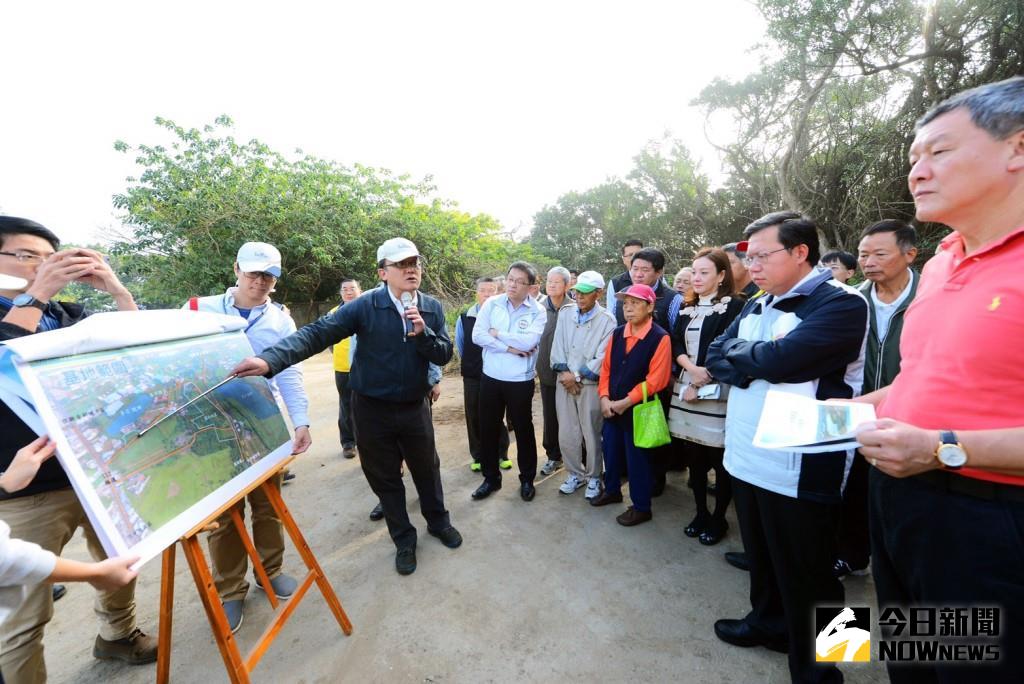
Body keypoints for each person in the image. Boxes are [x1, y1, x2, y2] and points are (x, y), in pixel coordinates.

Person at [854, 76, 1024, 683]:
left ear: (1018, 148)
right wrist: (855, 406)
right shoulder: (947, 256)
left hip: (987, 514)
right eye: (913, 158)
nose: (917, 171)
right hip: (899, 494)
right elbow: (926, 373)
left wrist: (941, 448)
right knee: (912, 654)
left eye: (940, 152)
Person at [232, 237, 460, 577]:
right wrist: (270, 360)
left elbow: (444, 353)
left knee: (427, 468)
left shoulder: (430, 307)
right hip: (371, 410)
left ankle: (438, 522)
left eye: (416, 263)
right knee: (384, 477)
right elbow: (317, 333)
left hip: (415, 407)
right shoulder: (364, 306)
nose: (412, 269)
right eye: (402, 264)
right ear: (383, 273)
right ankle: (403, 539)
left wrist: (423, 333)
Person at [706, 211, 867, 684]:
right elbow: (719, 353)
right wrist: (755, 361)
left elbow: (788, 359)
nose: (750, 266)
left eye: (762, 256)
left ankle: (827, 667)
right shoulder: (758, 301)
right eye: (747, 257)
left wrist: (753, 361)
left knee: (815, 573)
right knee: (764, 557)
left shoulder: (841, 303)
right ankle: (769, 623)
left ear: (800, 252)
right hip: (749, 455)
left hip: (807, 460)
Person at [0, 216, 158, 681]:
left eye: (49, 258)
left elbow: (139, 347)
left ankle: (117, 637)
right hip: (25, 487)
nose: (40, 267)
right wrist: (35, 295)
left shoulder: (69, 315)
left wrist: (117, 292)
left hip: (93, 469)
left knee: (120, 562)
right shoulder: (33, 308)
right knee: (23, 607)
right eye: (27, 256)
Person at [185, 241, 312, 632]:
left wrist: (301, 420)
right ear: (236, 268)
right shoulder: (197, 310)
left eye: (269, 276)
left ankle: (270, 571)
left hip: (263, 423)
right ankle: (231, 592)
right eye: (254, 273)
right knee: (224, 516)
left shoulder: (280, 321)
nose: (260, 282)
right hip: (213, 425)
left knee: (269, 504)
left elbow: (289, 371)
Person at [832, 220, 919, 580]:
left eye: (879, 254)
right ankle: (853, 555)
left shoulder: (931, 297)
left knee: (906, 498)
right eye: (864, 254)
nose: (868, 261)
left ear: (910, 254)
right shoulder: (853, 300)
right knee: (856, 488)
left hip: (914, 414)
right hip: (860, 408)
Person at [1, 437, 138, 629]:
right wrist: (3, 483)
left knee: (125, 557)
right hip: (20, 494)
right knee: (24, 621)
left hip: (90, 471)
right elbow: (10, 559)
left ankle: (119, 634)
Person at [669, 248, 744, 545]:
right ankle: (700, 511)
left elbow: (730, 347)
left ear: (722, 275)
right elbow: (676, 342)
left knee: (719, 457)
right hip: (686, 390)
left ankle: (719, 517)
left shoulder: (735, 307)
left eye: (705, 273)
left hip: (717, 392)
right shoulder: (687, 307)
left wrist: (703, 378)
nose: (697, 278)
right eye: (694, 272)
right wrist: (690, 369)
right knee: (695, 458)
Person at [590, 284, 672, 525]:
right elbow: (606, 370)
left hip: (638, 410)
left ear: (650, 306)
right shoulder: (617, 334)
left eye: (635, 303)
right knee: (611, 452)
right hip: (612, 406)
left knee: (638, 460)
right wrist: (604, 397)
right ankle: (612, 490)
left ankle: (641, 506)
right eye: (625, 303)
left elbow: (657, 380)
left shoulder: (659, 337)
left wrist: (626, 401)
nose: (629, 308)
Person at [470, 261, 546, 503]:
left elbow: (529, 342)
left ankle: (527, 479)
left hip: (520, 380)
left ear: (531, 286)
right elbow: (477, 335)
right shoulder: (492, 303)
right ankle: (491, 478)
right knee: (488, 429)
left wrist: (498, 334)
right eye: (510, 279)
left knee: (523, 430)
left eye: (519, 281)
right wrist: (508, 347)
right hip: (491, 377)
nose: (512, 284)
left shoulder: (537, 311)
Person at [550, 271, 616, 500]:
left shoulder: (607, 320)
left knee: (592, 432)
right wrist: (566, 375)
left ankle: (594, 476)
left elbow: (602, 357)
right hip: (564, 382)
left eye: (585, 293)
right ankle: (575, 474)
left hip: (588, 385)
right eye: (577, 291)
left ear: (598, 294)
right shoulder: (566, 313)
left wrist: (576, 376)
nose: (579, 296)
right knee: (567, 432)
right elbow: (557, 345)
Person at [454, 278, 511, 473]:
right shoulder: (465, 317)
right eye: (483, 290)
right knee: (473, 414)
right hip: (473, 374)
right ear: (476, 293)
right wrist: (472, 363)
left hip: (497, 373)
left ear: (498, 293)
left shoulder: (502, 317)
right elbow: (461, 345)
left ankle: (501, 453)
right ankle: (478, 456)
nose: (487, 294)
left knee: (496, 413)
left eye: (491, 290)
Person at [536, 267, 575, 478]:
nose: (551, 285)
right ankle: (553, 456)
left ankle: (579, 460)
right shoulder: (538, 308)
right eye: (549, 281)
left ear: (567, 285)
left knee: (572, 420)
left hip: (569, 376)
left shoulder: (575, 309)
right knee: (550, 417)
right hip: (546, 375)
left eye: (557, 282)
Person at [330, 278, 361, 459]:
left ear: (359, 290)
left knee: (368, 406)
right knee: (346, 405)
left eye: (352, 288)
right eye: (345, 289)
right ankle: (348, 443)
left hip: (365, 367)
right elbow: (329, 341)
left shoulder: (368, 310)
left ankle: (368, 442)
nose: (349, 292)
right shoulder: (334, 313)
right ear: (341, 293)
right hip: (343, 368)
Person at [605, 239, 644, 311]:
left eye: (638, 254)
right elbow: (611, 313)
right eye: (630, 255)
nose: (634, 258)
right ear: (624, 260)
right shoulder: (615, 283)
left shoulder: (655, 278)